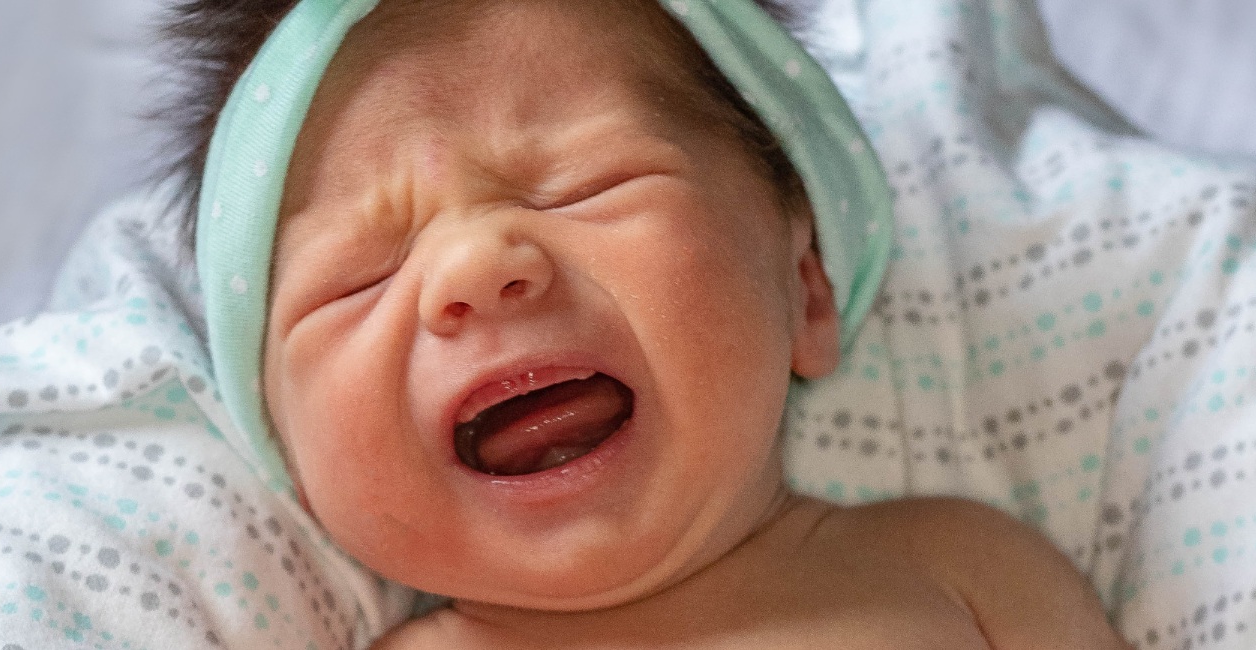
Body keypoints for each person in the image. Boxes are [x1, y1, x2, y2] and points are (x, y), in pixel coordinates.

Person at [168, 0, 1132, 646]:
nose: (474, 267)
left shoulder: (955, 566)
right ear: (292, 457)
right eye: (359, 278)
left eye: (585, 185)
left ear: (805, 288)